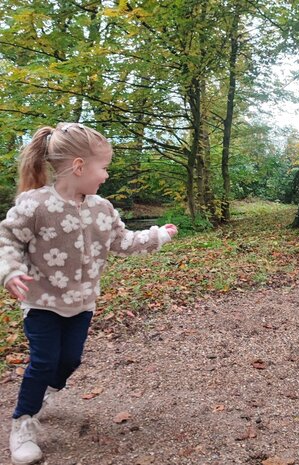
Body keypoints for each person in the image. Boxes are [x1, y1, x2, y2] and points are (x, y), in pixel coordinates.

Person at [0, 122, 178, 465]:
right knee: (43, 361)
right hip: (42, 302)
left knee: (69, 361)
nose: (106, 175)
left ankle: (44, 393)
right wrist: (10, 271)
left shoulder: (102, 208)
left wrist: (158, 235)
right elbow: (8, 240)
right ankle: (23, 423)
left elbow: (122, 241)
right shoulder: (34, 205)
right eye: (104, 167)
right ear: (79, 166)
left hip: (82, 303)